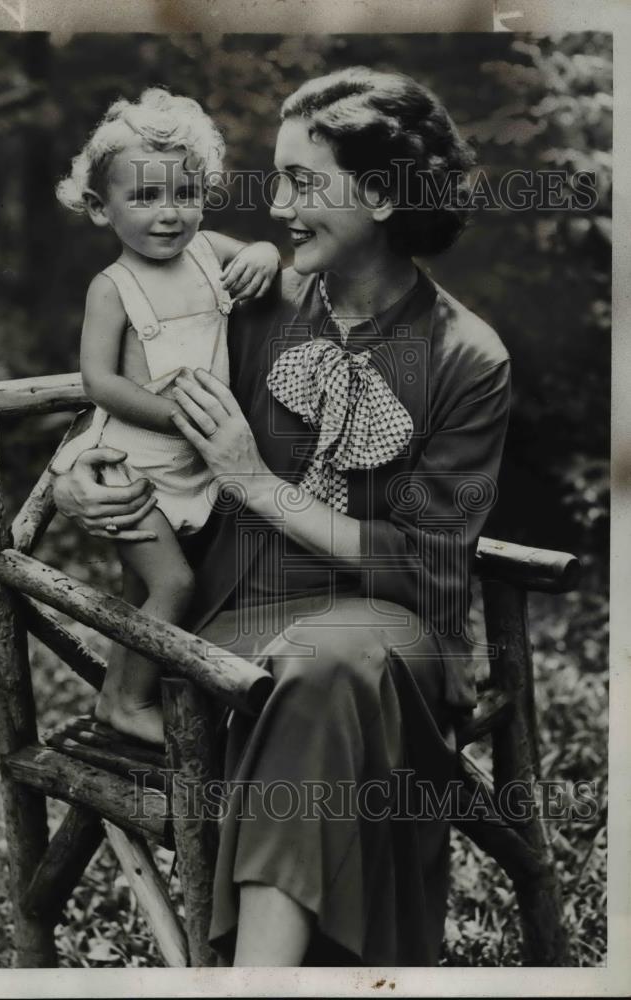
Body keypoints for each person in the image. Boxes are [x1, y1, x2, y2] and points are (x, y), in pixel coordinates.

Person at [53, 67, 511, 967]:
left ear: (380, 196)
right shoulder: (254, 296)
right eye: (275, 180)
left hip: (394, 627)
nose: (280, 206)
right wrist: (81, 482)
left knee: (326, 665)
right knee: (307, 674)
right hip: (232, 617)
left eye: (304, 183)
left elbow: (425, 566)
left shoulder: (468, 356)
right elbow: (130, 399)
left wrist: (257, 483)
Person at [51, 88, 280, 743]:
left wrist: (263, 252)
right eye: (144, 198)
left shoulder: (208, 251)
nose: (168, 213)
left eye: (184, 193)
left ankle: (125, 697)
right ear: (101, 207)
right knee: (172, 583)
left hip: (193, 462)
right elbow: (100, 381)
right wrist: (174, 415)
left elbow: (259, 258)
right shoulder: (113, 287)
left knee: (152, 590)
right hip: (126, 464)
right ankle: (127, 704)